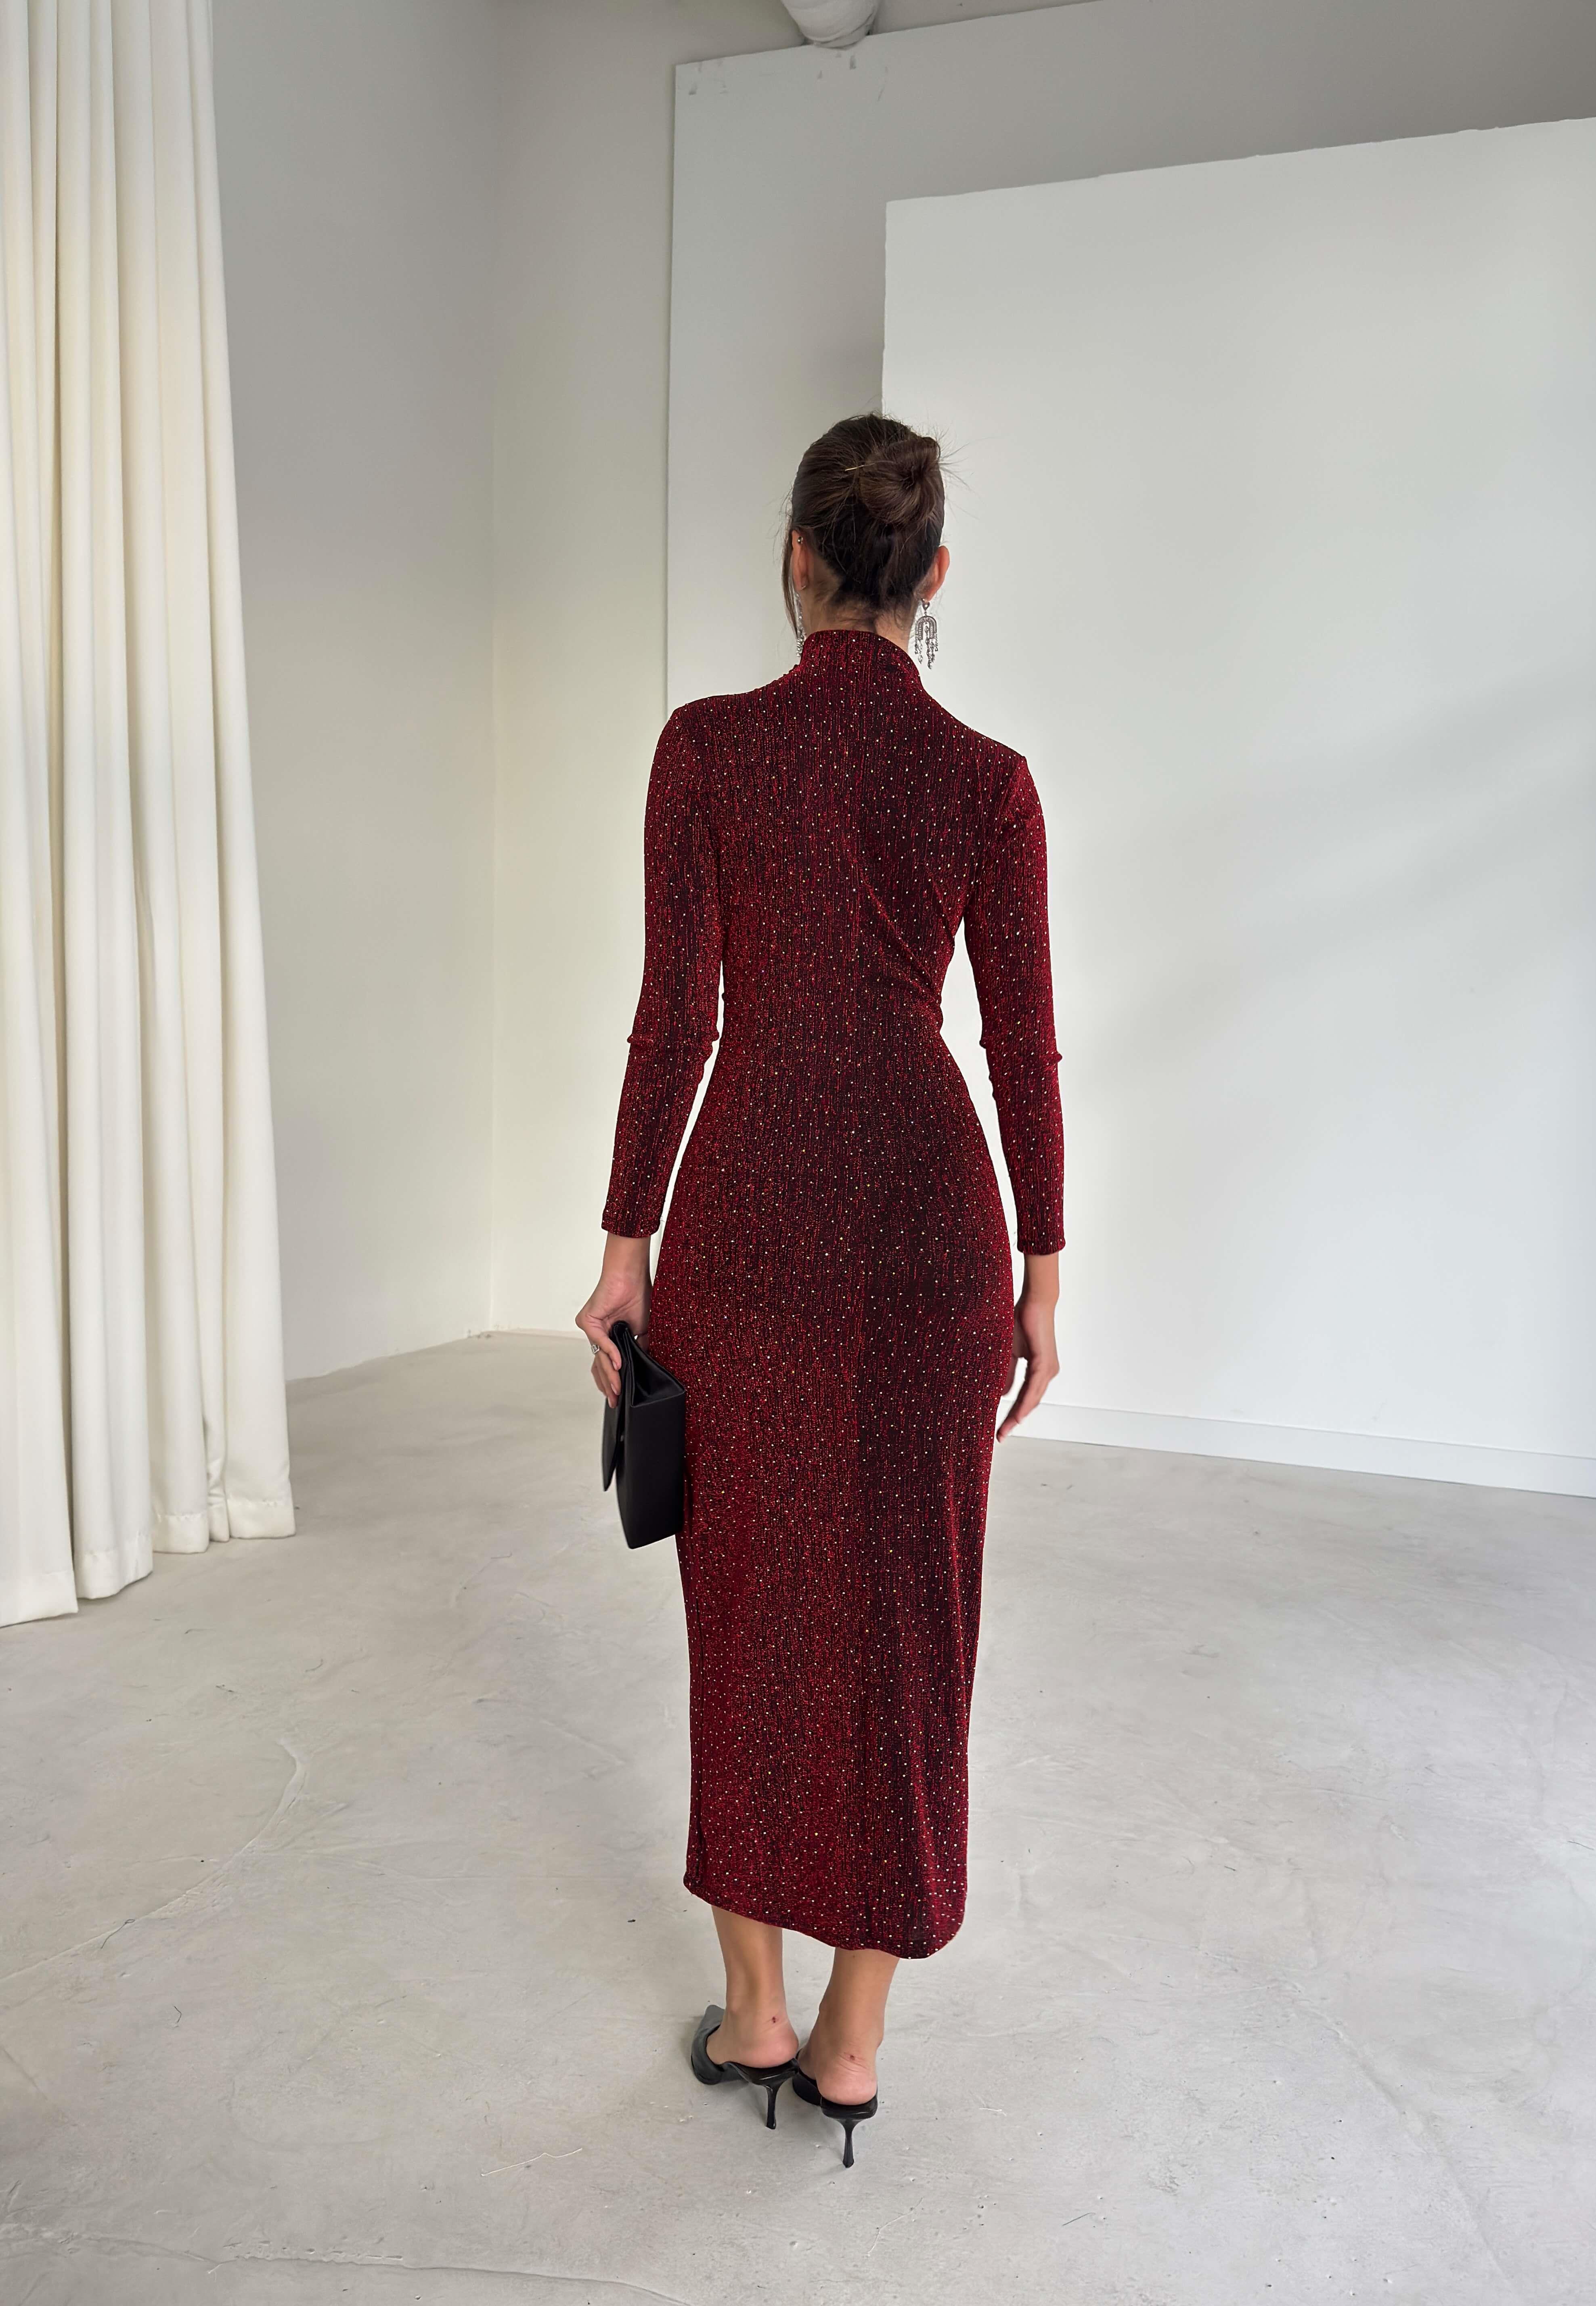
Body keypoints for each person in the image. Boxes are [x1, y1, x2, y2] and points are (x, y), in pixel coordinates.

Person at [577, 411, 1064, 2166]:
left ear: (794, 560)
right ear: (932, 578)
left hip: (749, 1220)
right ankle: (853, 2041)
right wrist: (1043, 1271)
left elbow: (675, 1019)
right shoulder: (987, 778)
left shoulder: (705, 748)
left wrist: (625, 1245)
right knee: (911, 1626)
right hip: (936, 1229)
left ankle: (757, 2011)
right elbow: (1018, 1043)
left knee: (751, 1616)